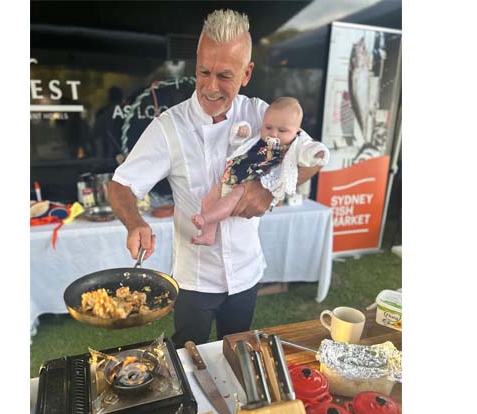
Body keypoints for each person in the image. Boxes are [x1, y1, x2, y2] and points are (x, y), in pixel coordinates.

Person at [107, 9, 323, 347]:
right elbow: (120, 184)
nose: (210, 86)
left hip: (246, 271)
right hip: (194, 278)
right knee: (187, 353)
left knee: (236, 349)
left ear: (247, 72)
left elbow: (311, 156)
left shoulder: (261, 114)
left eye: (224, 75)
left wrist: (268, 191)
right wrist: (134, 222)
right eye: (203, 72)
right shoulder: (170, 127)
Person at [190, 96, 329, 245]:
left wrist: (317, 153)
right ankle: (208, 234)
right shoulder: (259, 137)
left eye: (282, 130)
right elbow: (239, 143)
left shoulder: (296, 143)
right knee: (208, 200)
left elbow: (307, 151)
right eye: (268, 127)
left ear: (297, 131)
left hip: (255, 182)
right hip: (235, 174)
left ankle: (206, 219)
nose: (273, 134)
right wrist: (240, 132)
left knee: (231, 200)